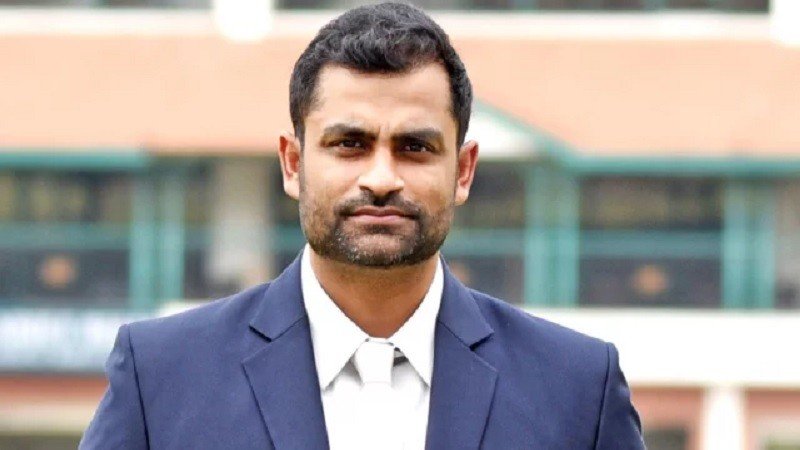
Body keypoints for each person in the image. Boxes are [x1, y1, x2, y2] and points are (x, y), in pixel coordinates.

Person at [80, 3, 644, 449]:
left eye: (415, 147)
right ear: (293, 164)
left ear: (463, 170)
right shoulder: (162, 376)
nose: (381, 178)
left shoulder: (577, 388)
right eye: (349, 144)